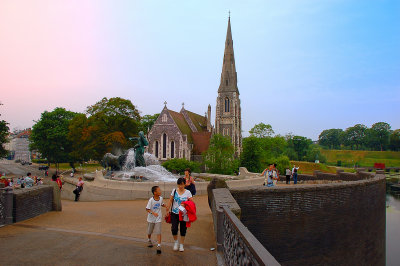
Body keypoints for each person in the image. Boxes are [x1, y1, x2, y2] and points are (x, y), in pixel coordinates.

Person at [166, 177, 193, 252]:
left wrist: (186, 204)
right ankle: (176, 242)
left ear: (185, 184)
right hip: (175, 213)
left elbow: (192, 202)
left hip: (184, 213)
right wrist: (168, 209)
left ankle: (181, 244)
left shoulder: (188, 192)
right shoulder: (174, 191)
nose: (180, 186)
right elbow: (171, 200)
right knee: (174, 228)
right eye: (179, 184)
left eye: (182, 184)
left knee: (183, 229)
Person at [146, 186, 165, 254]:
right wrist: (153, 213)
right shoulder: (151, 200)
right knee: (149, 231)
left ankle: (159, 245)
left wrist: (166, 206)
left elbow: (162, 204)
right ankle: (149, 239)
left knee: (158, 231)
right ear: (155, 193)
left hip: (158, 218)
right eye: (159, 191)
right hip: (151, 218)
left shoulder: (161, 198)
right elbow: (147, 209)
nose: (160, 191)